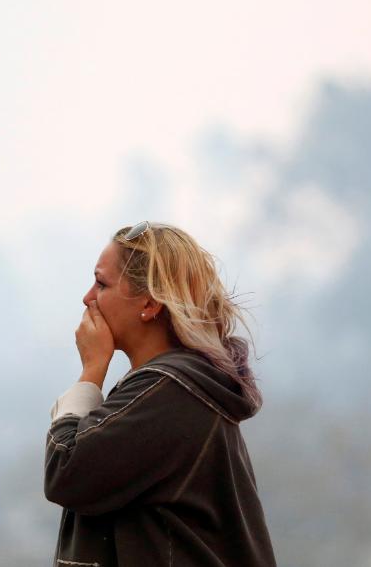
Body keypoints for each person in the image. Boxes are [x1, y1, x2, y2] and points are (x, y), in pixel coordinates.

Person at [44, 221, 277, 566]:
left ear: (150, 304)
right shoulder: (179, 385)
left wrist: (91, 374)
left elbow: (67, 472)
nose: (88, 298)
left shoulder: (171, 391)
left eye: (101, 283)